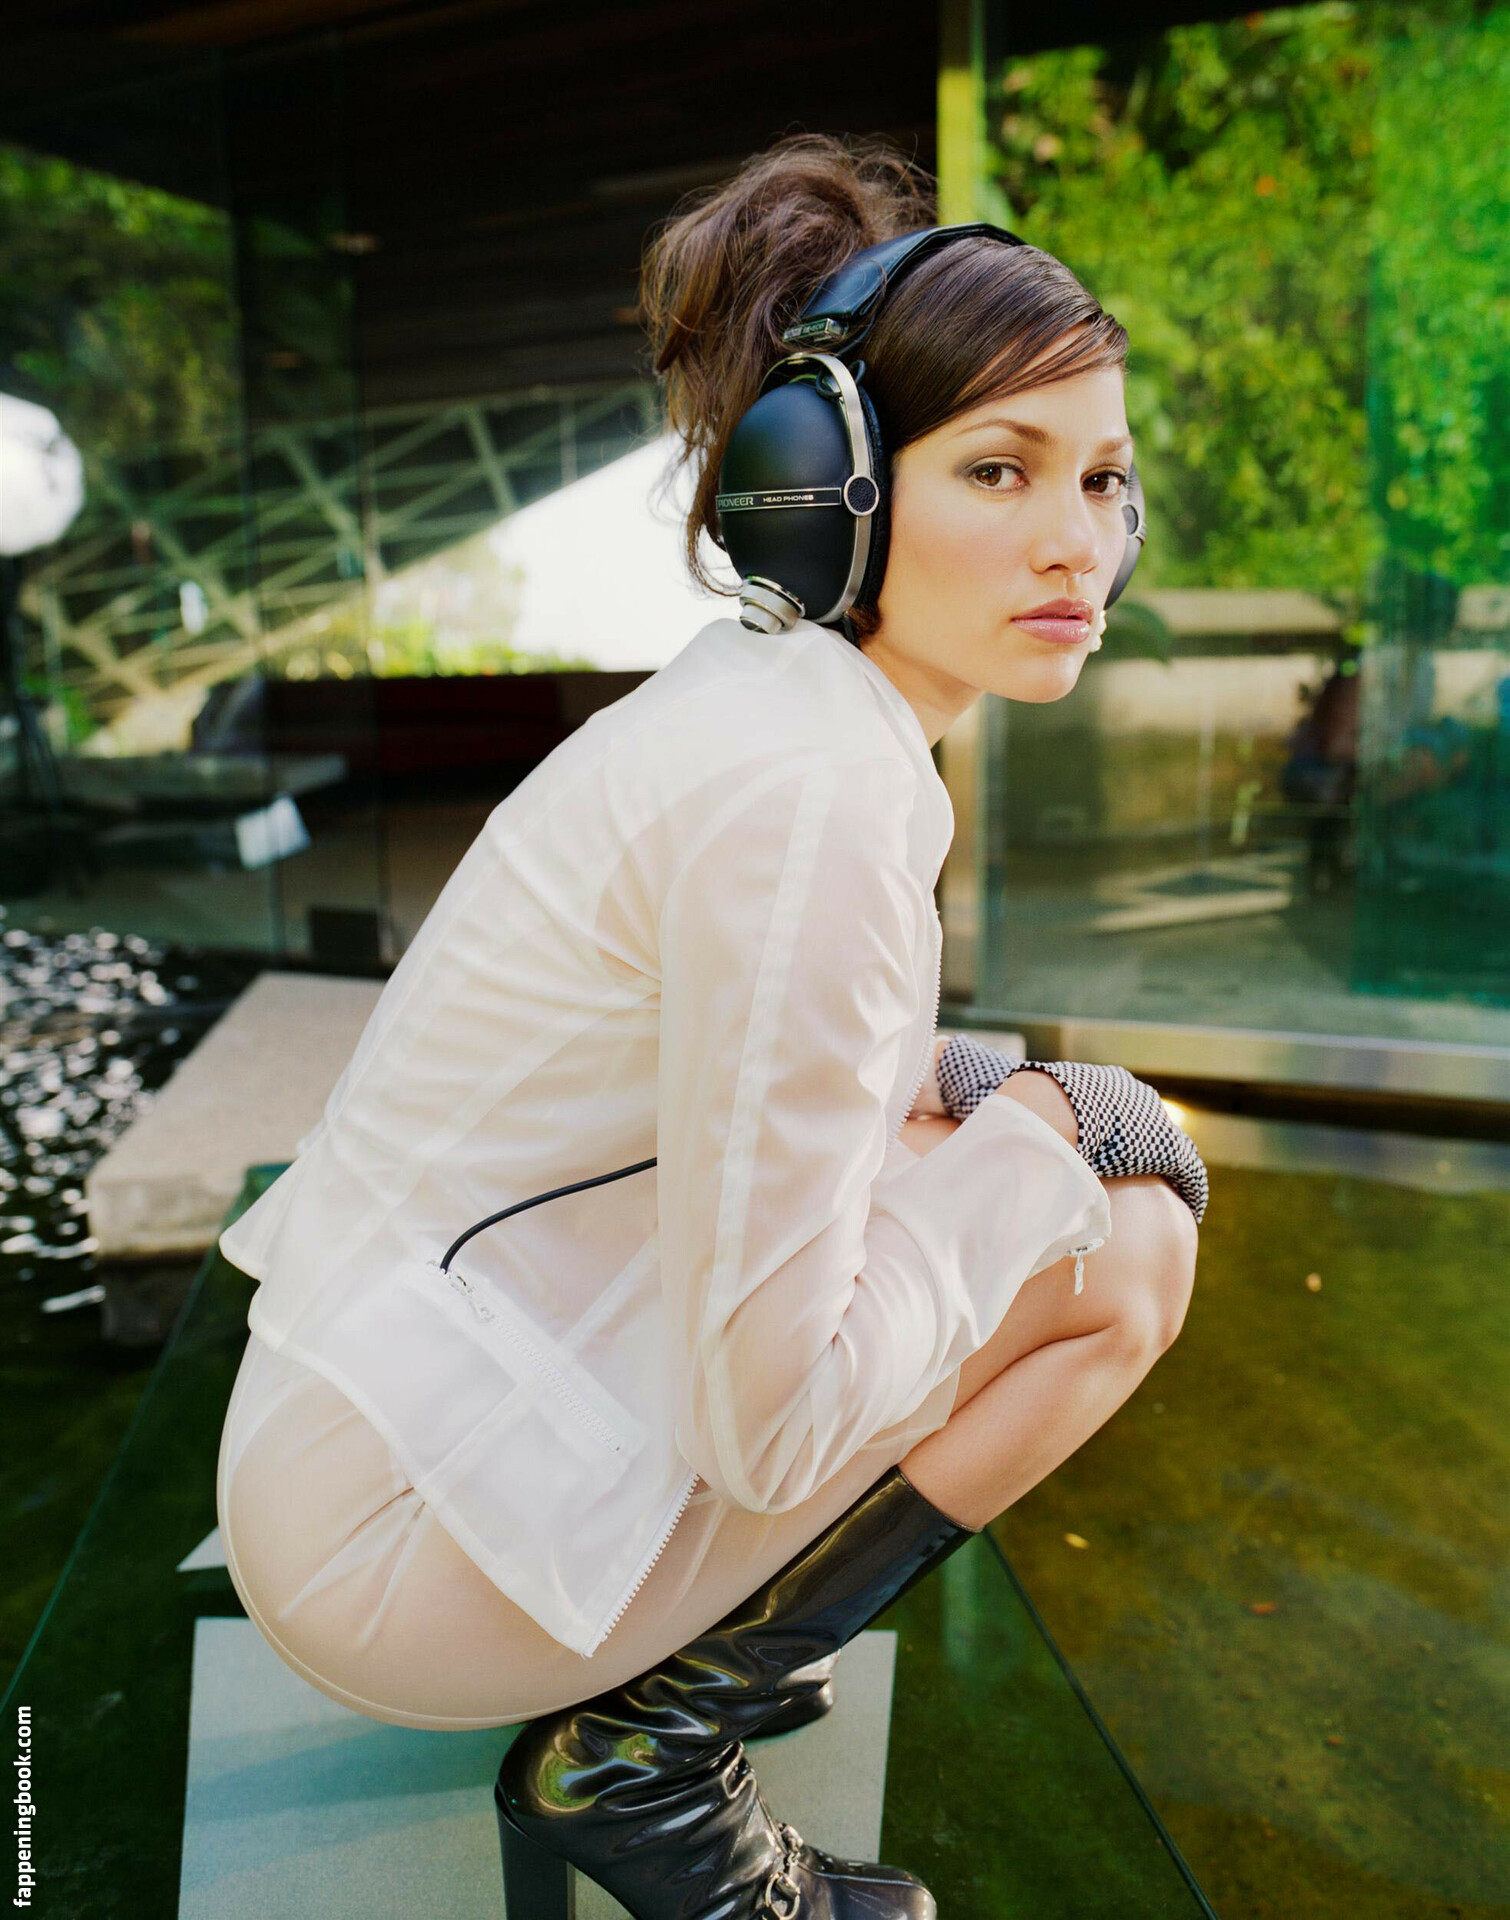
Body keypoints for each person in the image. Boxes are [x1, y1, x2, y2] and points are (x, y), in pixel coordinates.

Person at [214, 132, 1205, 1919]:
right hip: (406, 1554)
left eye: (1103, 478)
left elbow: (726, 1091)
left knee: (999, 1150)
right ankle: (651, 1758)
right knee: (1125, 1243)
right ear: (820, 490)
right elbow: (772, 1428)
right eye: (999, 468)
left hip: (372, 1437)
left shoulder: (763, 713)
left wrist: (964, 1107)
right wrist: (1044, 1139)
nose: (1078, 539)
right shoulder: (813, 794)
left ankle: (663, 1702)